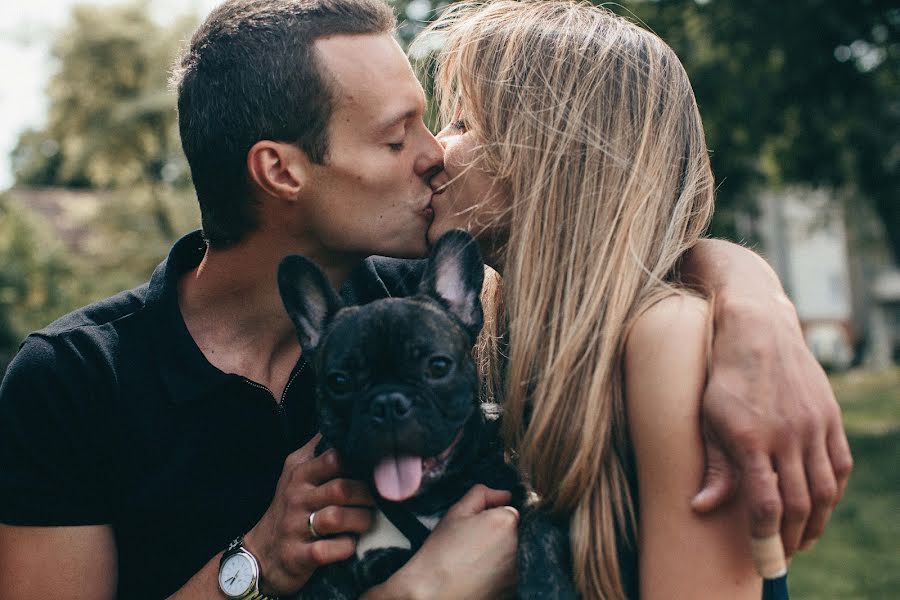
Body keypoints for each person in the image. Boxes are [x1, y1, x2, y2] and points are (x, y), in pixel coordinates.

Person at [0, 0, 849, 598]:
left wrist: (755, 307)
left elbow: (607, 255)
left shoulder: (431, 312)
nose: (436, 154)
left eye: (447, 124)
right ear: (282, 170)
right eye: (400, 133)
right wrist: (264, 561)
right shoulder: (73, 381)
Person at [417, 0, 851, 597]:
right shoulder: (496, 337)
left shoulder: (669, 341)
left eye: (464, 123)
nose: (433, 152)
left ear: (550, 154)